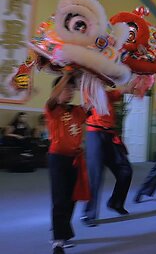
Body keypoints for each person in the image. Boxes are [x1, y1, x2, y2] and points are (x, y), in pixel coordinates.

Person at [45, 74, 90, 254]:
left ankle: (63, 232)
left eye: (72, 89)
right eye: (66, 89)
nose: (70, 92)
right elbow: (54, 97)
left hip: (75, 159)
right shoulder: (52, 109)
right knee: (59, 199)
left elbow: (92, 102)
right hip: (57, 158)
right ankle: (58, 240)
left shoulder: (78, 111)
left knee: (72, 198)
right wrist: (67, 74)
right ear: (58, 91)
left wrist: (90, 80)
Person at [81, 82, 136, 227]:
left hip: (110, 136)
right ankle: (88, 213)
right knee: (95, 176)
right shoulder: (89, 89)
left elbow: (122, 90)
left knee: (125, 170)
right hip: (95, 135)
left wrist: (136, 81)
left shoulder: (107, 95)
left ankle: (115, 203)